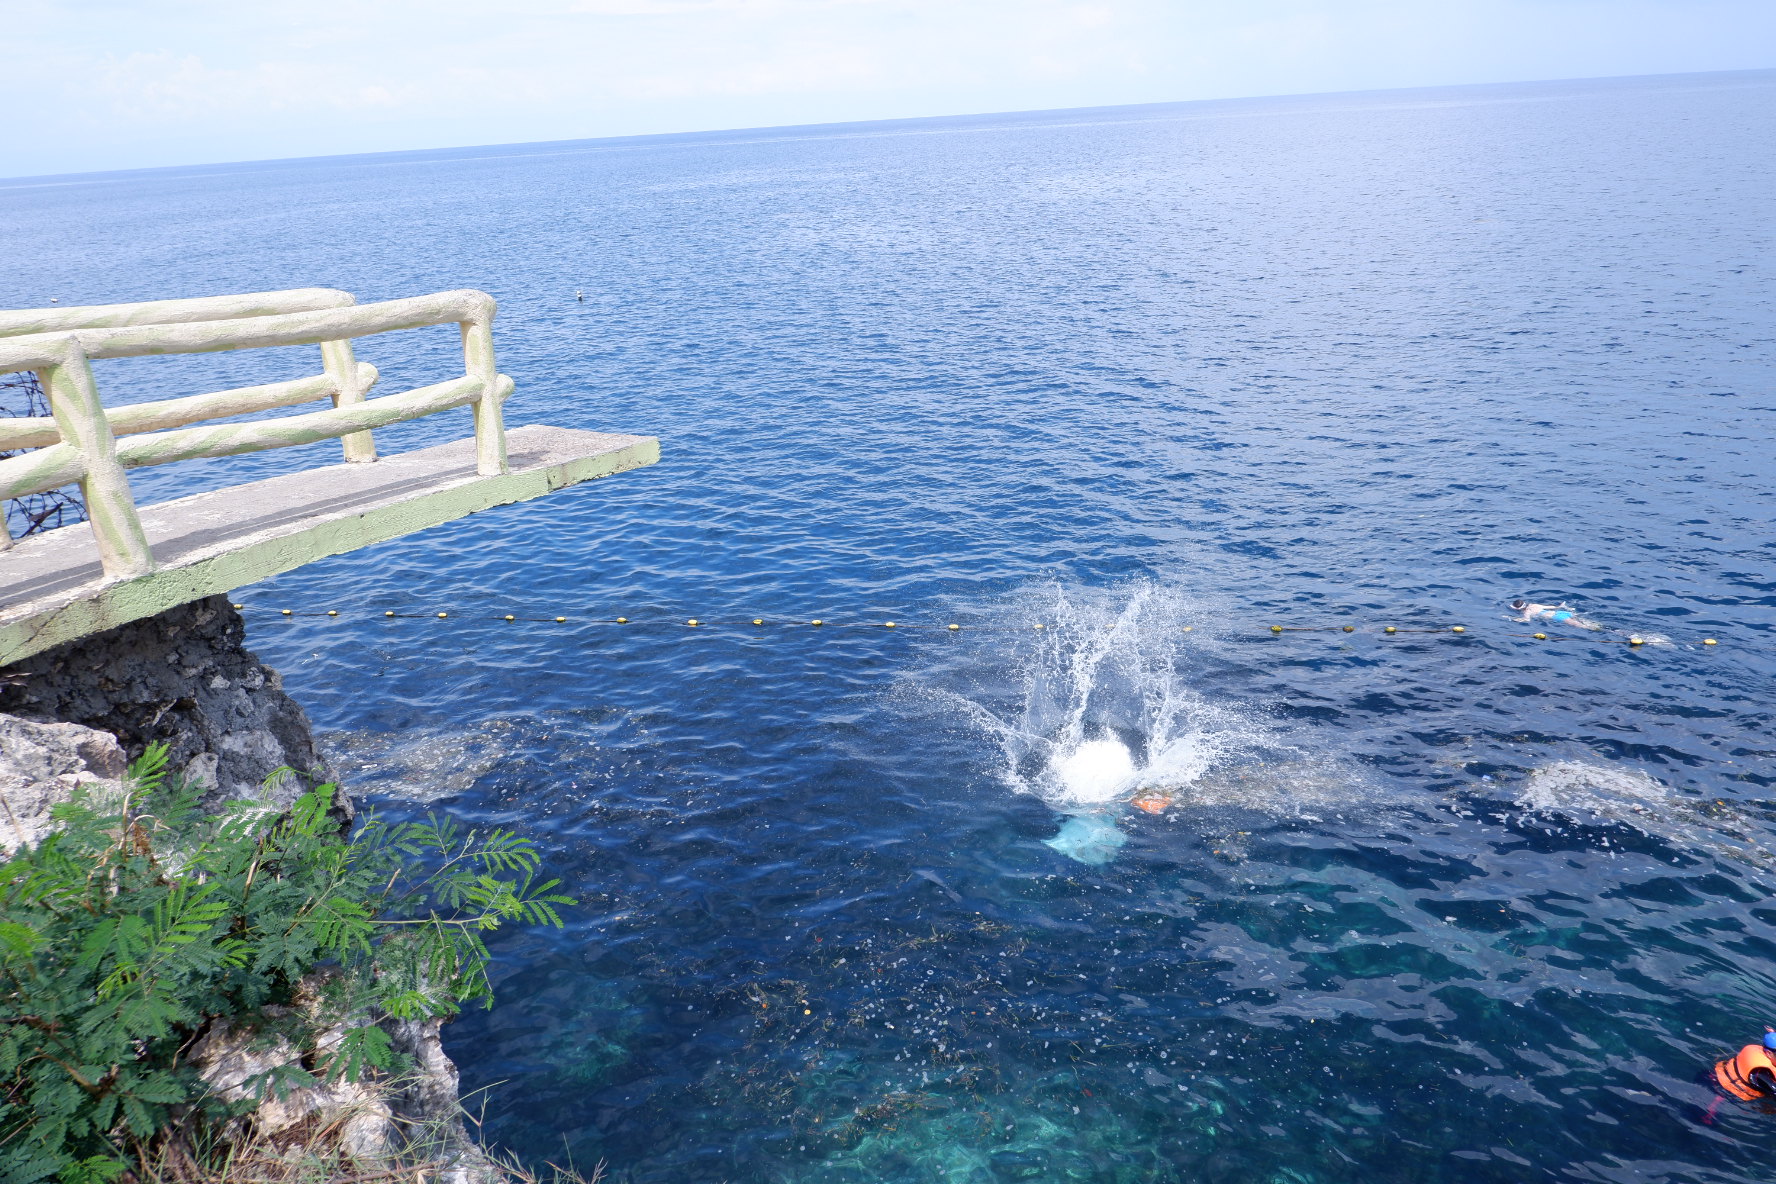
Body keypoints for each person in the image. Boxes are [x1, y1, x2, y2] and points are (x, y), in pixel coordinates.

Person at [1713, 1029, 1776, 1100]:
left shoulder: (1762, 1052)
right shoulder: (1760, 1073)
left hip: (1714, 1074)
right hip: (1723, 1094)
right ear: (1768, 1053)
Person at [1510, 598, 1602, 630]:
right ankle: (1601, 626)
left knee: (1585, 627)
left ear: (1518, 608)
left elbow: (1527, 620)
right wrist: (1559, 606)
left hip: (1557, 617)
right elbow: (1551, 607)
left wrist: (1512, 618)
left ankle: (1612, 631)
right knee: (1588, 622)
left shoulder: (1527, 612)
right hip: (1560, 612)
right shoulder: (1534, 605)